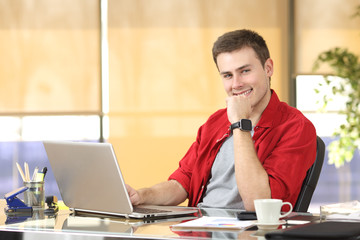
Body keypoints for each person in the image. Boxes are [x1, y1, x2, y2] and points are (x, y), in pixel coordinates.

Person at [126, 29, 317, 211]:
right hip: (199, 227)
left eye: (245, 71)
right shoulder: (215, 121)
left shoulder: (296, 127)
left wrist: (240, 124)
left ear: (268, 68)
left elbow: (259, 203)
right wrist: (141, 195)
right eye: (227, 75)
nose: (236, 84)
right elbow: (183, 181)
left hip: (249, 232)